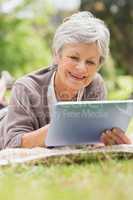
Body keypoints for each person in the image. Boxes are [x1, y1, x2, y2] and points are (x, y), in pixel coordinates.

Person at [0, 11, 131, 149]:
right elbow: (12, 144)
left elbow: (92, 141)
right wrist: (63, 125)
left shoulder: (95, 85)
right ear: (57, 55)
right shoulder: (26, 88)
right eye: (74, 58)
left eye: (90, 62)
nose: (81, 68)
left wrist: (107, 140)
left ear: (99, 65)